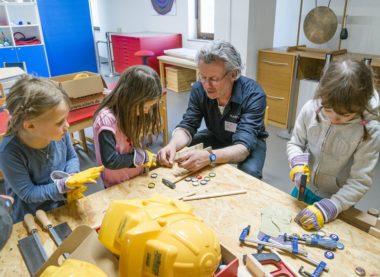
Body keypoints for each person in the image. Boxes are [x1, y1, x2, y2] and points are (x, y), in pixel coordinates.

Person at [288, 59, 380, 231]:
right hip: (303, 189)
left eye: (344, 116)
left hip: (336, 201)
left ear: (360, 106)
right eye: (328, 110)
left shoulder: (370, 130)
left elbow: (359, 181)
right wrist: (297, 162)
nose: (333, 119)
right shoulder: (311, 108)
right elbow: (295, 143)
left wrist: (330, 207)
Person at [157, 40, 268, 179]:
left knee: (249, 173)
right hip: (217, 134)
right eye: (203, 77)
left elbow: (243, 148)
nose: (207, 85)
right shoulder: (199, 88)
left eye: (214, 79)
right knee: (180, 150)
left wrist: (211, 157)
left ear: (233, 74)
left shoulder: (254, 95)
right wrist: (172, 145)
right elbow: (188, 125)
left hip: (249, 140)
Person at [0, 77, 102, 223]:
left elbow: (71, 157)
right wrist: (62, 186)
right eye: (60, 122)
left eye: (66, 118)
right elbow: (28, 193)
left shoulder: (60, 132)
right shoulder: (9, 153)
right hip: (32, 216)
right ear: (30, 126)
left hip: (62, 204)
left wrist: (72, 177)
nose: (67, 126)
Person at [93, 65, 161, 187]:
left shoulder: (128, 108)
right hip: (117, 183)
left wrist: (144, 157)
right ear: (130, 98)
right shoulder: (106, 120)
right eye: (145, 107)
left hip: (135, 176)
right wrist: (142, 157)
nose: (146, 111)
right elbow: (110, 160)